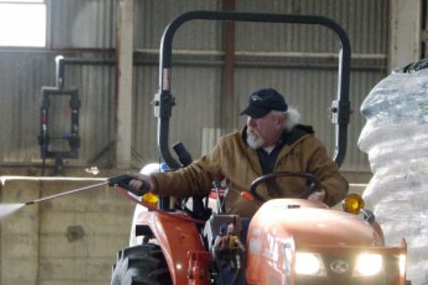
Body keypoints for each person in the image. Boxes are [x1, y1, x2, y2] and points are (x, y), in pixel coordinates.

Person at [115, 87, 348, 217]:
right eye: (249, 117)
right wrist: (153, 182)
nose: (250, 124)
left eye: (257, 117)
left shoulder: (307, 147)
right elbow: (196, 175)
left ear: (280, 121)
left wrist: (324, 193)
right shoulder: (230, 146)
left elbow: (335, 179)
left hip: (296, 225)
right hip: (242, 228)